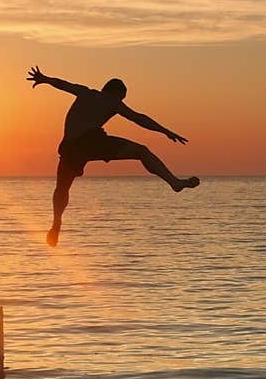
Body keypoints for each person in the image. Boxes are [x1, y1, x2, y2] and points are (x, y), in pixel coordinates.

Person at [27, 66, 200, 246]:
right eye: (122, 99)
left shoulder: (85, 93)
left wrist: (44, 78)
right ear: (117, 95)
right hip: (94, 142)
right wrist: (164, 131)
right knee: (141, 151)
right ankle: (174, 182)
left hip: (70, 148)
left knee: (62, 188)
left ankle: (56, 223)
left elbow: (64, 85)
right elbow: (139, 118)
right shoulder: (113, 102)